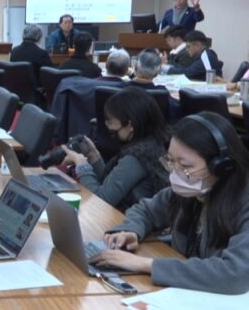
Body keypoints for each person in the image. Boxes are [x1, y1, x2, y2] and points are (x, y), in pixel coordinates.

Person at [89, 112, 249, 294]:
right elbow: (146, 210)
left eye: (186, 167)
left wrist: (146, 264)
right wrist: (131, 230)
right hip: (188, 292)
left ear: (221, 166)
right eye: (171, 161)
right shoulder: (192, 191)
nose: (175, 174)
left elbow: (235, 274)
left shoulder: (242, 201)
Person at [62, 87, 170, 211]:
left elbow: (100, 201)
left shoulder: (136, 157)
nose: (109, 127)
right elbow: (111, 186)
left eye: (111, 121)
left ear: (130, 125)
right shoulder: (153, 144)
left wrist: (81, 164)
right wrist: (94, 156)